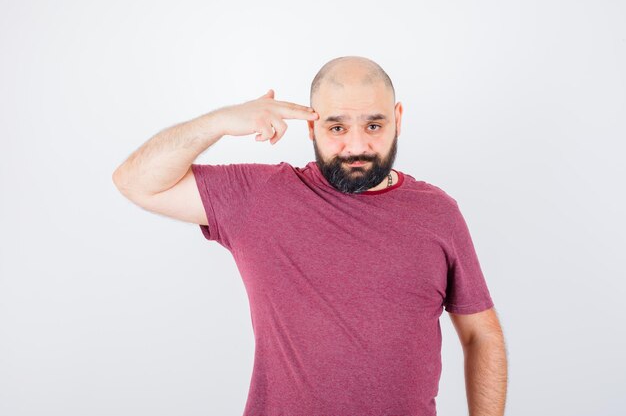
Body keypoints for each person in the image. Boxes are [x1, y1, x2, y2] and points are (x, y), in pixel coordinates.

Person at [113, 55, 508, 416]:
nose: (357, 146)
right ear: (311, 126)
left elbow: (481, 335)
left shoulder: (437, 213)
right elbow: (136, 182)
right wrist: (219, 122)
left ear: (398, 119)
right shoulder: (260, 196)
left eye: (374, 125)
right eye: (337, 127)